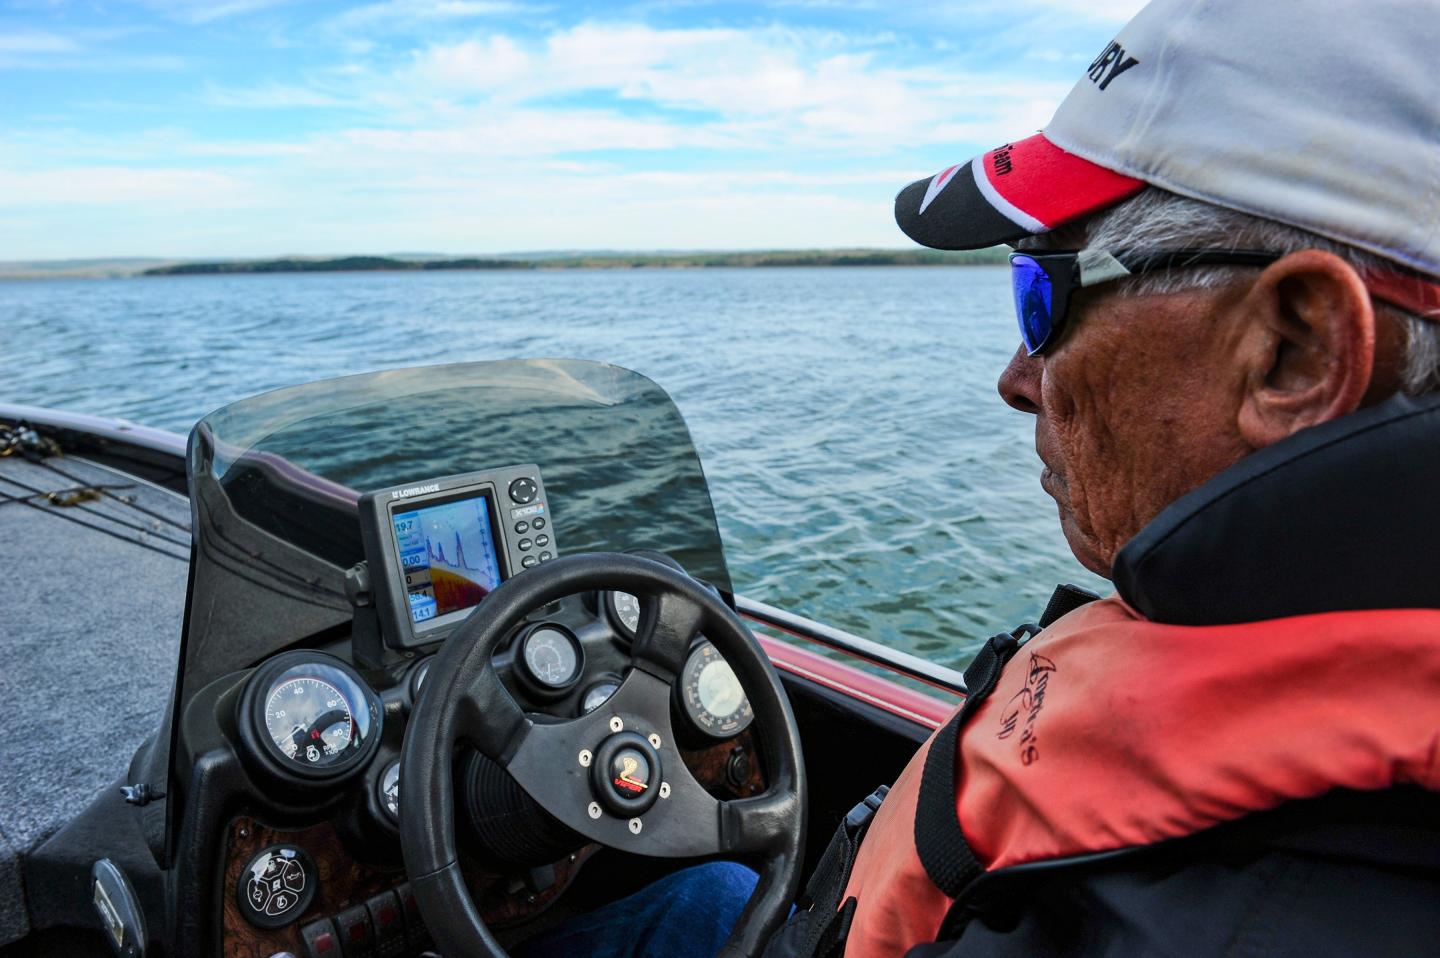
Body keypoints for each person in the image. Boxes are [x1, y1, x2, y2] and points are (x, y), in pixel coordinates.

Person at [527, 0, 1440, 954]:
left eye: (1041, 292)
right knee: (709, 889)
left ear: (1293, 352)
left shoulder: (1215, 919)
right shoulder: (1266, 620)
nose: (1015, 379)